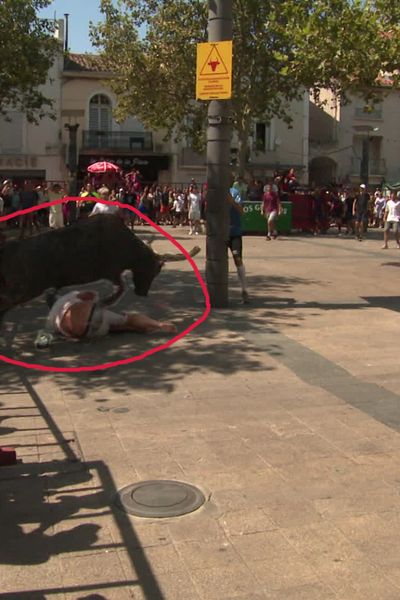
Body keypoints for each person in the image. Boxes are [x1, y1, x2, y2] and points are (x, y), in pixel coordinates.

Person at [36, 288, 177, 347]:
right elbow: (91, 296)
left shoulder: (52, 318)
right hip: (96, 314)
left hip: (84, 333)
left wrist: (42, 342)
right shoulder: (71, 296)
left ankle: (125, 328)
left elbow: (44, 337)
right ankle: (157, 324)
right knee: (127, 319)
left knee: (117, 327)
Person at [228, 184, 250, 304]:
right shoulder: (214, 192)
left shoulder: (235, 193)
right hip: (219, 234)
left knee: (238, 259)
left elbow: (241, 211)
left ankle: (244, 290)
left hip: (234, 232)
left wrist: (231, 202)